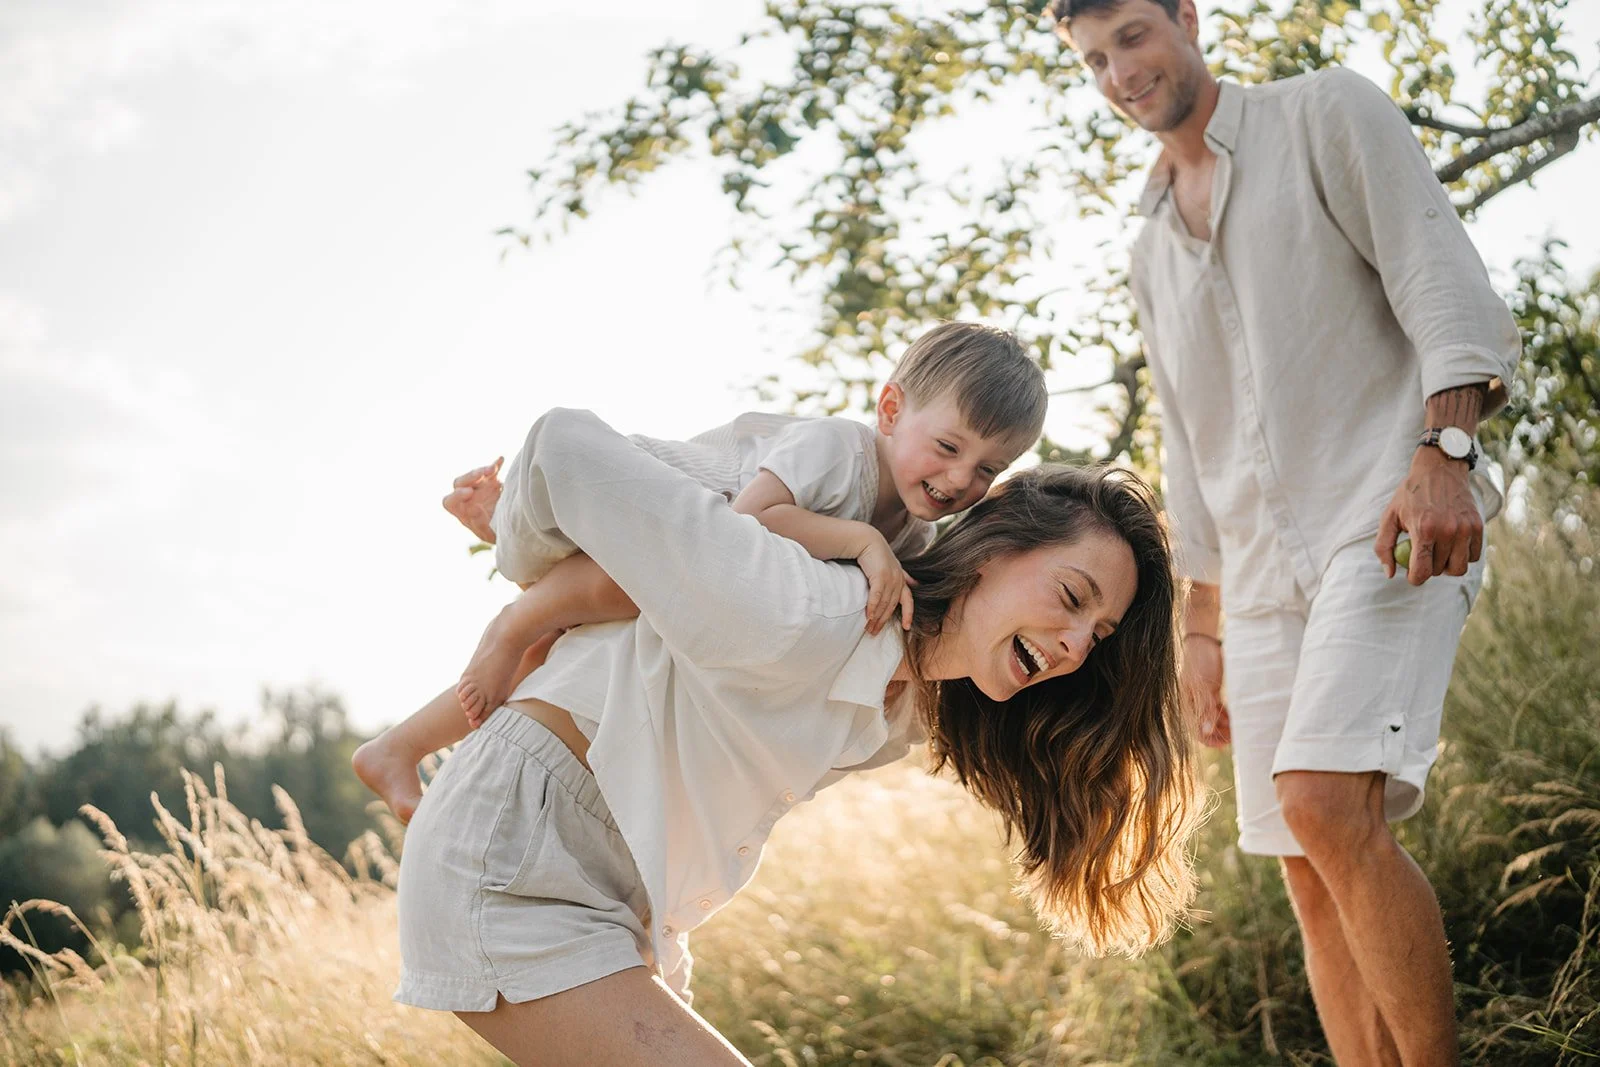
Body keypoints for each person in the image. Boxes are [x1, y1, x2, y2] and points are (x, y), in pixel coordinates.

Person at [392, 405, 1201, 1065]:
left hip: (622, 896)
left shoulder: (914, 701)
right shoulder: (792, 602)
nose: (1074, 644)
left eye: (1097, 634)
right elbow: (565, 445)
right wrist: (517, 574)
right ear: (991, 553)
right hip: (516, 852)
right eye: (1071, 596)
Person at [1051, 1, 1523, 1062]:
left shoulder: (1324, 114)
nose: (1119, 71)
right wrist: (1202, 629)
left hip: (1386, 513)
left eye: (1131, 35)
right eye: (1092, 59)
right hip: (1257, 581)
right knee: (1305, 871)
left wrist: (1444, 453)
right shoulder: (1149, 248)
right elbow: (1190, 441)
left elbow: (1441, 280)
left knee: (1321, 801)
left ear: (1185, 16)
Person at [353, 321, 1048, 823]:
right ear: (892, 410)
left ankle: (398, 747)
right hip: (664, 506)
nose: (961, 477)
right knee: (561, 615)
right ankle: (503, 522)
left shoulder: (917, 532)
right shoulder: (840, 451)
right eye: (949, 446)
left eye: (988, 468)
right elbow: (746, 523)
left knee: (549, 659)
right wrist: (863, 540)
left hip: (669, 578)